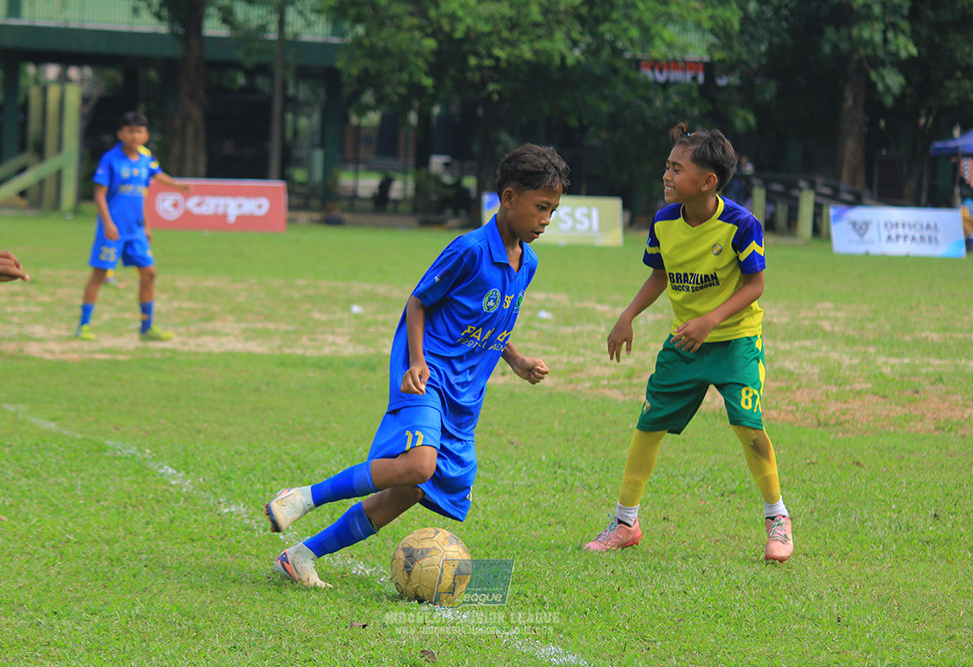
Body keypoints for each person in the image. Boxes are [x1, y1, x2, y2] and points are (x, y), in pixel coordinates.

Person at [265, 144, 571, 588]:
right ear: (509, 198)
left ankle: (302, 556)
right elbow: (418, 302)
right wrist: (416, 361)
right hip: (428, 373)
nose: (547, 219)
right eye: (541, 207)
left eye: (553, 211)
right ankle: (303, 498)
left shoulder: (529, 262)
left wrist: (516, 359)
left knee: (410, 489)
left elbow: (491, 321)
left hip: (466, 391)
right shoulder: (470, 249)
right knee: (420, 465)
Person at [584, 123, 794, 562]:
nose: (666, 175)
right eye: (667, 166)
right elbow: (659, 275)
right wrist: (627, 316)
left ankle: (777, 517)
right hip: (685, 342)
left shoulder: (741, 224)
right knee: (648, 425)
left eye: (676, 169)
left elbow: (755, 285)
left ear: (707, 181)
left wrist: (711, 320)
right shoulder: (663, 221)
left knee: (747, 425)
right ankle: (625, 523)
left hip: (735, 341)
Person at [74, 111, 191, 342]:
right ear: (120, 134)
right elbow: (99, 194)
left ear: (146, 135)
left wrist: (148, 225)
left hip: (136, 230)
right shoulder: (111, 159)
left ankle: (147, 328)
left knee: (149, 273)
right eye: (130, 131)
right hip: (113, 230)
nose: (135, 136)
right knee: (99, 275)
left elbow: (145, 191)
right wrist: (107, 223)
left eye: (139, 131)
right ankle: (83, 326)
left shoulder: (146, 159)